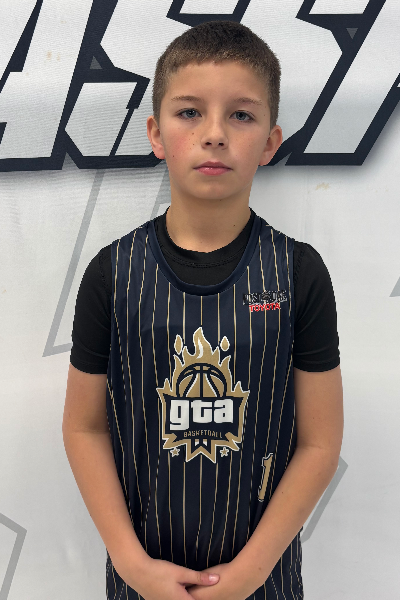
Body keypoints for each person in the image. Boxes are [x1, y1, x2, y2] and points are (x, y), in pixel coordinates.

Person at [62, 20, 343, 600]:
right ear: (156, 133)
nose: (214, 134)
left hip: (263, 582)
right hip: (142, 580)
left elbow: (320, 443)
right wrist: (132, 564)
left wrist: (250, 574)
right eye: (190, 112)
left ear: (271, 141)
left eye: (241, 115)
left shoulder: (298, 273)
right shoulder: (112, 273)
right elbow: (83, 426)